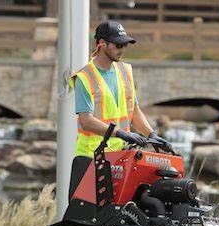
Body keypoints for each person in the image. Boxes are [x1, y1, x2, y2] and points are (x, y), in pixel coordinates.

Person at [67, 20, 171, 199]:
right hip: (92, 160)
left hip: (120, 158)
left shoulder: (125, 71)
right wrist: (121, 133)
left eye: (125, 44)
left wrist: (150, 135)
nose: (122, 49)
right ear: (101, 44)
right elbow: (86, 120)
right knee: (87, 220)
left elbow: (134, 110)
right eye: (118, 44)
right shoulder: (84, 77)